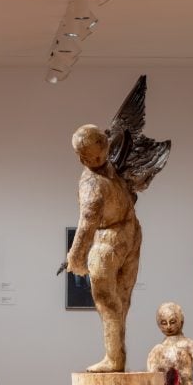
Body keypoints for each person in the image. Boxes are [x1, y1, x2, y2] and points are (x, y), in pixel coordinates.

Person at [65, 124, 141, 372]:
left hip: (110, 239)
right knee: (122, 298)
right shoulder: (112, 168)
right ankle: (117, 356)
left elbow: (87, 225)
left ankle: (114, 359)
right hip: (131, 231)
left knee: (108, 299)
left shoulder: (92, 184)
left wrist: (75, 259)